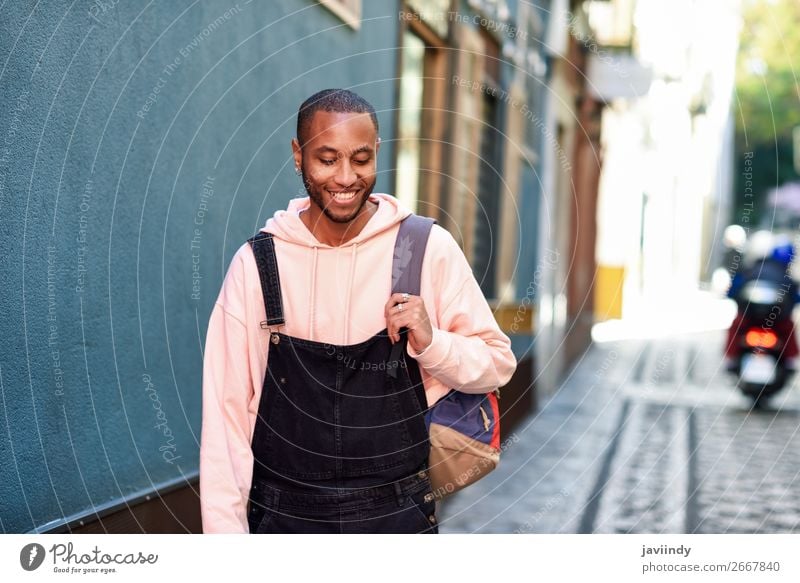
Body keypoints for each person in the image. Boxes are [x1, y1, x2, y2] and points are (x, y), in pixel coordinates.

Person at [199, 88, 517, 533]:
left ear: (377, 153)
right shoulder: (257, 266)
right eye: (327, 159)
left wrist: (432, 341)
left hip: (397, 519)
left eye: (361, 159)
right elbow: (225, 419)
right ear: (298, 155)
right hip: (284, 523)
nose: (346, 177)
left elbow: (497, 366)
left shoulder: (423, 248)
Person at [724, 235, 800, 371]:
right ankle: (790, 360)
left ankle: (730, 359)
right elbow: (794, 297)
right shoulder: (784, 274)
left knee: (736, 325)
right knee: (788, 327)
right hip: (775, 320)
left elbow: (733, 291)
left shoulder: (750, 270)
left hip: (752, 318)